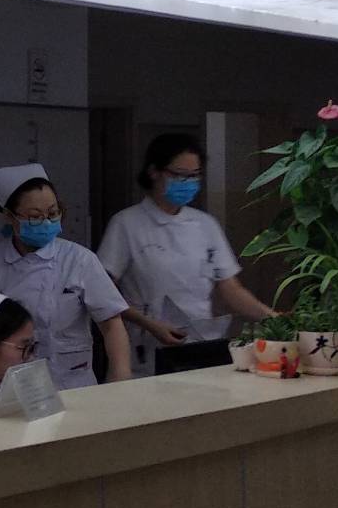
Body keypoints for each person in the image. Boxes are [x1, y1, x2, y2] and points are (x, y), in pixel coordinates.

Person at [98, 134, 276, 376]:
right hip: (147, 348)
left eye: (194, 176)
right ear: (154, 172)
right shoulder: (126, 224)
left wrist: (272, 317)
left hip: (201, 346)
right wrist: (148, 324)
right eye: (180, 175)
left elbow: (232, 290)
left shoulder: (205, 224)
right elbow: (103, 294)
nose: (188, 182)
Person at [0, 164, 132, 388]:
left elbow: (111, 323)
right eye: (35, 217)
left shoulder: (79, 260)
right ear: (9, 216)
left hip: (72, 384)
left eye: (53, 213)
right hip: (7, 386)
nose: (47, 222)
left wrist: (120, 378)